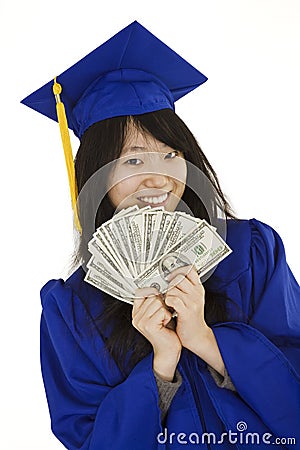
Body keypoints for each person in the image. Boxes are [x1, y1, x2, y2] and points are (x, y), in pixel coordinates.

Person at [22, 21, 300, 450]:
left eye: (170, 155)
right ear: (95, 177)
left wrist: (207, 341)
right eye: (132, 162)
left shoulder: (251, 252)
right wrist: (161, 368)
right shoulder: (71, 307)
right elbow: (86, 437)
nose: (158, 178)